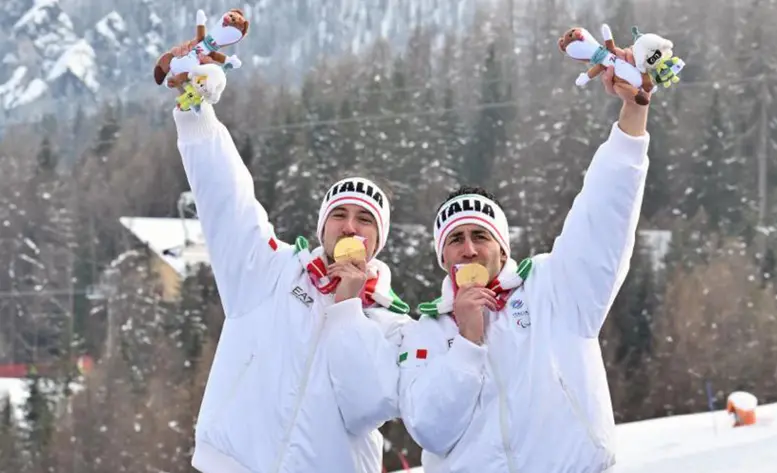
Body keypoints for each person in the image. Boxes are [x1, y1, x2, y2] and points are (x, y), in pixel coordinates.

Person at [396, 47, 651, 472]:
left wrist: (633, 114)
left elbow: (603, 215)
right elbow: (430, 430)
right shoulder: (422, 333)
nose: (470, 249)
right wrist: (466, 342)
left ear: (503, 248)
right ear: (443, 257)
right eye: (456, 240)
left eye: (481, 235)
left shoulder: (553, 286)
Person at [171, 82, 412, 472]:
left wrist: (348, 306)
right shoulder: (271, 270)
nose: (350, 226)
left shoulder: (394, 325)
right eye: (339, 214)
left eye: (365, 219)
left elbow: (365, 406)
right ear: (322, 227)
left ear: (378, 240)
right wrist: (194, 109)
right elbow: (227, 199)